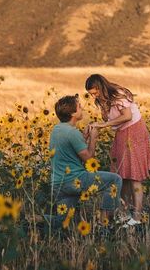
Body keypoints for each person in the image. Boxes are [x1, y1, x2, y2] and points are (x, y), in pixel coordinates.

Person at [85, 74, 150, 226]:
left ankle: (136, 218)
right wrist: (98, 122)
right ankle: (124, 214)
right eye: (91, 94)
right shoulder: (101, 100)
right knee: (122, 175)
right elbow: (108, 120)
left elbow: (127, 116)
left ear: (101, 87)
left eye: (95, 92)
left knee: (134, 176)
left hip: (134, 131)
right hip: (121, 133)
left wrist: (104, 125)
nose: (93, 96)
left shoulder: (118, 94)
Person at [49, 95, 122, 226]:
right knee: (114, 180)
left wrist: (84, 137)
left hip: (58, 184)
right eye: (79, 107)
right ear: (72, 113)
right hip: (74, 180)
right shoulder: (72, 133)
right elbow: (88, 159)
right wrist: (93, 138)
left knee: (62, 222)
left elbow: (70, 152)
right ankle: (105, 223)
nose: (82, 109)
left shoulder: (57, 129)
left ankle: (32, 219)